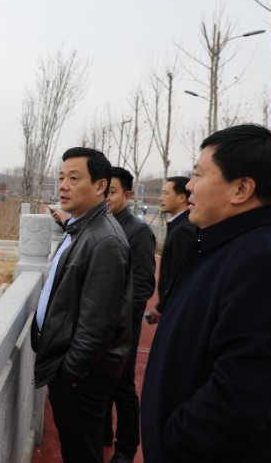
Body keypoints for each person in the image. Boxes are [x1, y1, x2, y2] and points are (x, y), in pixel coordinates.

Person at [140, 124, 271, 462]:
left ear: (241, 189)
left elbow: (238, 401)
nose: (189, 186)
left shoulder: (265, 261)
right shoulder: (229, 245)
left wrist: (174, 440)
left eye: (198, 174)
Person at [31, 147, 132, 462]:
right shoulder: (82, 227)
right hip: (74, 370)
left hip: (81, 377)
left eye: (74, 178)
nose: (63, 185)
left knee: (81, 453)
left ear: (100, 186)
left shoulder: (105, 241)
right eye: (61, 177)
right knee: (76, 448)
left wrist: (69, 374)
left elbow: (98, 324)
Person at [102, 166, 157, 463]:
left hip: (122, 328)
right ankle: (103, 432)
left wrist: (119, 323)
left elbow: (143, 287)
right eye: (102, 191)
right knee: (99, 380)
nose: (105, 197)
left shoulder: (138, 231)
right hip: (98, 324)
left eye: (111, 192)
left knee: (122, 386)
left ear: (126, 196)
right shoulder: (98, 224)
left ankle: (126, 449)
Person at [145, 176, 196, 325]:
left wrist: (162, 307)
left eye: (166, 193)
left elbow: (178, 274)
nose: (160, 198)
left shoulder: (183, 229)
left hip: (176, 309)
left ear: (181, 198)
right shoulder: (178, 225)